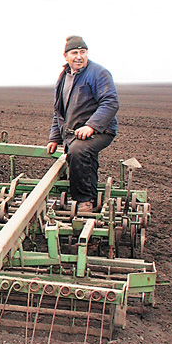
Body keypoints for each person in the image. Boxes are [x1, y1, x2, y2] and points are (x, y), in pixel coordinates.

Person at [46, 35, 119, 213]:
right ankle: (92, 196)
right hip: (74, 133)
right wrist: (55, 137)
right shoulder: (64, 76)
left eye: (83, 52)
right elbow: (59, 111)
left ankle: (84, 201)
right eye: (74, 52)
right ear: (66, 56)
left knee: (79, 151)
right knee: (83, 157)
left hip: (101, 131)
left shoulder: (98, 73)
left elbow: (110, 102)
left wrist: (92, 126)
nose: (79, 56)